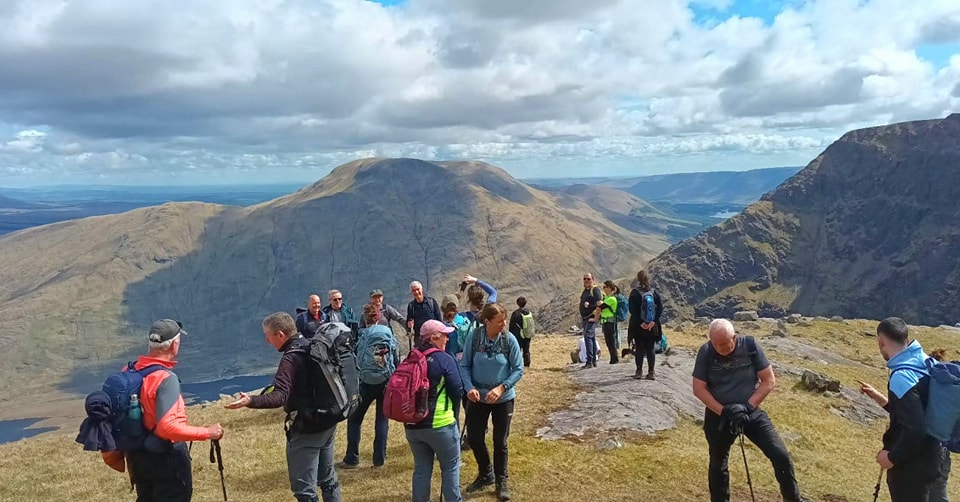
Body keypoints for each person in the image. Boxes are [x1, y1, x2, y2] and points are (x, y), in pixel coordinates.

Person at [226, 312, 342, 502]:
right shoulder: (311, 345)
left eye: (268, 335)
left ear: (280, 334)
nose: (266, 340)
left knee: (305, 491)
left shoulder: (291, 358)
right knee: (328, 480)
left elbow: (280, 396)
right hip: (328, 421)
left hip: (307, 429)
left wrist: (250, 401)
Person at [108, 319, 225, 502]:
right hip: (166, 457)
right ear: (174, 345)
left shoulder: (128, 371)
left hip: (137, 456)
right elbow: (166, 427)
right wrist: (207, 432)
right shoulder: (165, 378)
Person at [692, 319, 803, 502]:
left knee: (780, 455)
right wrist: (724, 411)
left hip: (750, 411)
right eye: (715, 344)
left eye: (724, 344)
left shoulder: (750, 346)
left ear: (734, 337)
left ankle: (793, 498)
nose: (720, 348)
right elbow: (698, 388)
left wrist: (747, 407)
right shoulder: (706, 352)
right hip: (720, 416)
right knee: (718, 464)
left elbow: (769, 381)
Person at [857, 317, 944, 501]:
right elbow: (917, 411)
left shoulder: (901, 377)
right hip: (934, 454)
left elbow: (915, 427)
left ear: (881, 341)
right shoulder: (924, 362)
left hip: (912, 466)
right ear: (906, 338)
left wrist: (892, 457)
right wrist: (881, 399)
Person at [460, 303, 524, 501]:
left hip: (503, 398)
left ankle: (501, 480)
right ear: (487, 322)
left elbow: (518, 369)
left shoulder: (509, 339)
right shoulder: (475, 337)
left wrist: (502, 387)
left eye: (504, 320)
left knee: (500, 441)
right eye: (499, 321)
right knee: (475, 438)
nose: (503, 324)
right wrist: (469, 387)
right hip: (478, 397)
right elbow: (464, 365)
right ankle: (486, 473)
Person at [404, 320, 466, 502]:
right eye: (445, 335)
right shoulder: (444, 359)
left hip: (412, 425)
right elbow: (457, 391)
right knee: (450, 468)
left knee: (422, 469)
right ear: (434, 337)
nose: (448, 338)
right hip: (440, 424)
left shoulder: (411, 357)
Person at [340, 305, 399, 470]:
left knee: (355, 419)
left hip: (366, 382)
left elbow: (357, 358)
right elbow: (394, 354)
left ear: (365, 319)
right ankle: (379, 459)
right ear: (378, 317)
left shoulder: (364, 334)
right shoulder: (387, 333)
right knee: (381, 420)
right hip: (385, 381)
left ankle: (352, 458)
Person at [629, 270, 663, 380]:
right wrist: (654, 321)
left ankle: (639, 371)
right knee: (650, 348)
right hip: (652, 326)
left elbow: (632, 310)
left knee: (639, 348)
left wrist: (640, 322)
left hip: (639, 327)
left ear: (638, 279)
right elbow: (660, 308)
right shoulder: (654, 292)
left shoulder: (634, 293)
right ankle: (651, 372)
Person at [579, 273, 602, 369]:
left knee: (587, 337)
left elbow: (600, 304)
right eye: (584, 279)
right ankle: (593, 360)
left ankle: (589, 361)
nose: (586, 280)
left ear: (593, 279)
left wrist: (596, 318)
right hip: (585, 318)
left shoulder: (595, 290)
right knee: (591, 338)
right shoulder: (585, 291)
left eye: (588, 279)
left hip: (591, 317)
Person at [597, 281, 620, 365]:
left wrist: (598, 304)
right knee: (609, 341)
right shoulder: (607, 298)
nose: (603, 289)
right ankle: (613, 358)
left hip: (610, 322)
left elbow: (601, 307)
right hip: (606, 321)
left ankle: (614, 358)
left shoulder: (611, 299)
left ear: (609, 288)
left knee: (611, 341)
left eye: (604, 287)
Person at [509, 297, 533, 367]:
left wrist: (511, 334)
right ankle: (527, 364)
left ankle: (518, 363)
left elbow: (512, 325)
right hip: (527, 333)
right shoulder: (529, 312)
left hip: (518, 334)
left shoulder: (515, 313)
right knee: (526, 349)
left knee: (517, 349)